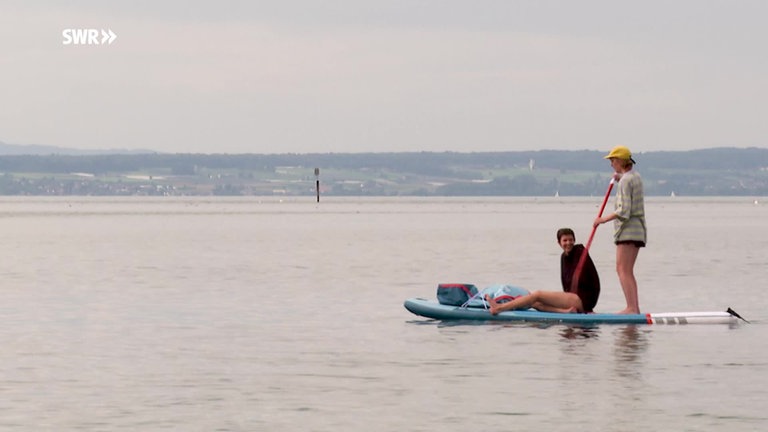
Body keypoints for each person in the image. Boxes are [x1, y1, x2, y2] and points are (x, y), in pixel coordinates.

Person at [486, 228, 600, 314]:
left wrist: (587, 308)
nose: (568, 243)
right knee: (535, 302)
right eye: (565, 240)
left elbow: (591, 282)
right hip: (572, 299)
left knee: (538, 294)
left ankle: (499, 308)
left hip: (582, 300)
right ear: (559, 242)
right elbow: (566, 283)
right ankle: (566, 312)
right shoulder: (563, 257)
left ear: (574, 240)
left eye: (571, 240)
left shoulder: (580, 251)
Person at [593, 145, 646, 314]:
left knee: (622, 269)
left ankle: (632, 308)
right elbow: (627, 181)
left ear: (621, 161)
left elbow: (624, 210)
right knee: (626, 270)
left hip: (628, 231)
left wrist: (602, 220)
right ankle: (634, 307)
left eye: (613, 161)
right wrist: (619, 177)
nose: (611, 164)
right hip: (638, 230)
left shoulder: (626, 180)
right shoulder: (635, 176)